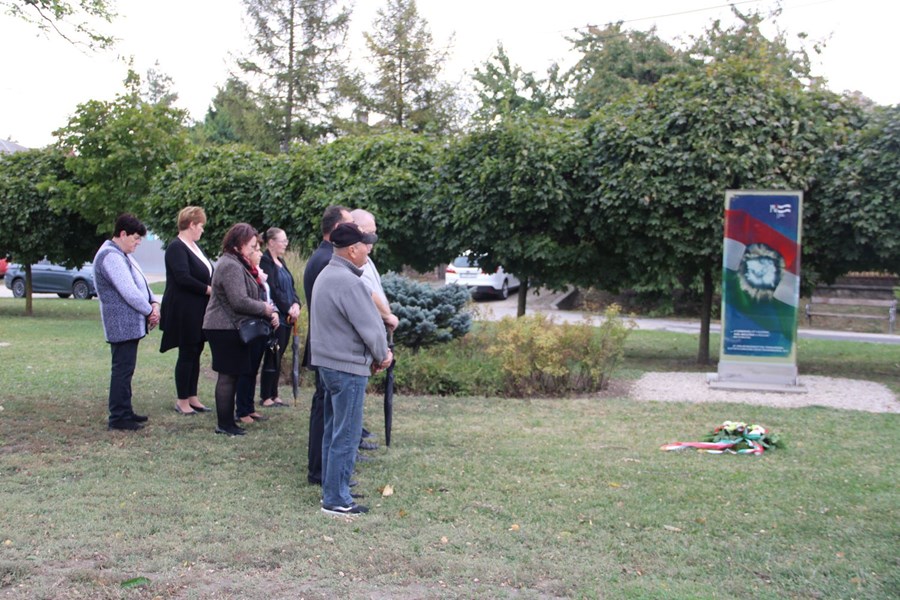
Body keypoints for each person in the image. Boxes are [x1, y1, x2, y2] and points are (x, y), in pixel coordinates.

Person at [310, 222, 392, 515]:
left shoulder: (326, 274)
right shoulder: (350, 282)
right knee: (346, 434)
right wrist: (383, 355)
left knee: (333, 431)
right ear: (352, 250)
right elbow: (371, 327)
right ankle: (336, 499)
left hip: (329, 364)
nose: (368, 251)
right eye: (364, 246)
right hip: (347, 367)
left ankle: (334, 489)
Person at [202, 224, 279, 436]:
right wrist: (264, 308)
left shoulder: (237, 263)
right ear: (237, 245)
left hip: (230, 326)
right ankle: (225, 424)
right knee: (227, 376)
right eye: (251, 246)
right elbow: (239, 301)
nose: (255, 250)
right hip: (223, 327)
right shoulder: (230, 265)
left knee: (233, 374)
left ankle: (228, 422)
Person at [93, 214, 160, 431]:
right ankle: (119, 417)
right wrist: (150, 311)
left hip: (130, 324)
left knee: (126, 370)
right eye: (136, 238)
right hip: (121, 325)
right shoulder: (110, 256)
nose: (138, 243)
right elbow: (129, 291)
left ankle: (126, 411)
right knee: (122, 370)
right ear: (123, 234)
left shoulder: (122, 254)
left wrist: (153, 302)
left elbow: (141, 283)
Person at [303, 205, 353, 486]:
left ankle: (322, 469)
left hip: (323, 344)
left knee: (325, 408)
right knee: (326, 411)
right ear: (336, 229)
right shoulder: (326, 260)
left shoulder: (322, 256)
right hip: (327, 347)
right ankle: (321, 470)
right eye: (349, 225)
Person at [351, 208, 399, 453]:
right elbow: (367, 294)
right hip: (356, 342)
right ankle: (353, 440)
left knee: (358, 394)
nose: (373, 239)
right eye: (369, 233)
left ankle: (356, 434)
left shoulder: (366, 259)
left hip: (376, 329)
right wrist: (386, 315)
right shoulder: (352, 262)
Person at [159, 206, 214, 415]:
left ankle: (192, 396)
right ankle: (182, 400)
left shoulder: (195, 247)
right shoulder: (176, 247)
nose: (202, 230)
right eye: (201, 226)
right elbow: (183, 277)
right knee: (187, 351)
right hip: (184, 309)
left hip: (199, 309)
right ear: (191, 224)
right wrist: (208, 289)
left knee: (196, 350)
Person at [258, 227, 302, 408]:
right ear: (271, 242)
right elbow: (273, 290)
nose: (286, 244)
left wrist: (296, 304)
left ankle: (274, 393)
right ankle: (266, 395)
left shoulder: (281, 261)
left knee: (279, 354)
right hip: (277, 317)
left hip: (288, 318)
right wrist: (287, 308)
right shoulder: (265, 261)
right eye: (282, 241)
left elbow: (291, 286)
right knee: (272, 353)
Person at [235, 234, 274, 425]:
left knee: (253, 370)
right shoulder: (244, 272)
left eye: (259, 249)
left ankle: (249, 407)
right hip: (250, 325)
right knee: (246, 369)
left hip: (262, 324)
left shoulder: (257, 272)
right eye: (255, 249)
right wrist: (265, 309)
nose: (259, 253)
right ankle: (242, 409)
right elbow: (244, 299)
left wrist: (273, 312)